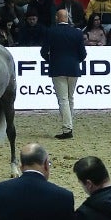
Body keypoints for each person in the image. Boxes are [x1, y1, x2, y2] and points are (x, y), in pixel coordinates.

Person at [40, 9, 86, 140]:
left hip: (57, 68)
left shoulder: (51, 31)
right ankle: (69, 125)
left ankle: (67, 128)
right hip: (73, 68)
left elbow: (44, 52)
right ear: (67, 18)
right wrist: (75, 61)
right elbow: (83, 54)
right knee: (70, 98)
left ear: (57, 18)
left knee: (63, 100)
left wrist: (51, 61)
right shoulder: (77, 33)